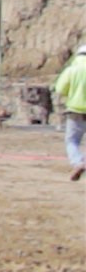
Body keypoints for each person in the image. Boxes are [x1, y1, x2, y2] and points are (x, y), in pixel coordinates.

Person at [52, 43, 86, 182]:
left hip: (75, 110)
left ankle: (78, 162)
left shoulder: (72, 70)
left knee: (72, 141)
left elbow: (60, 88)